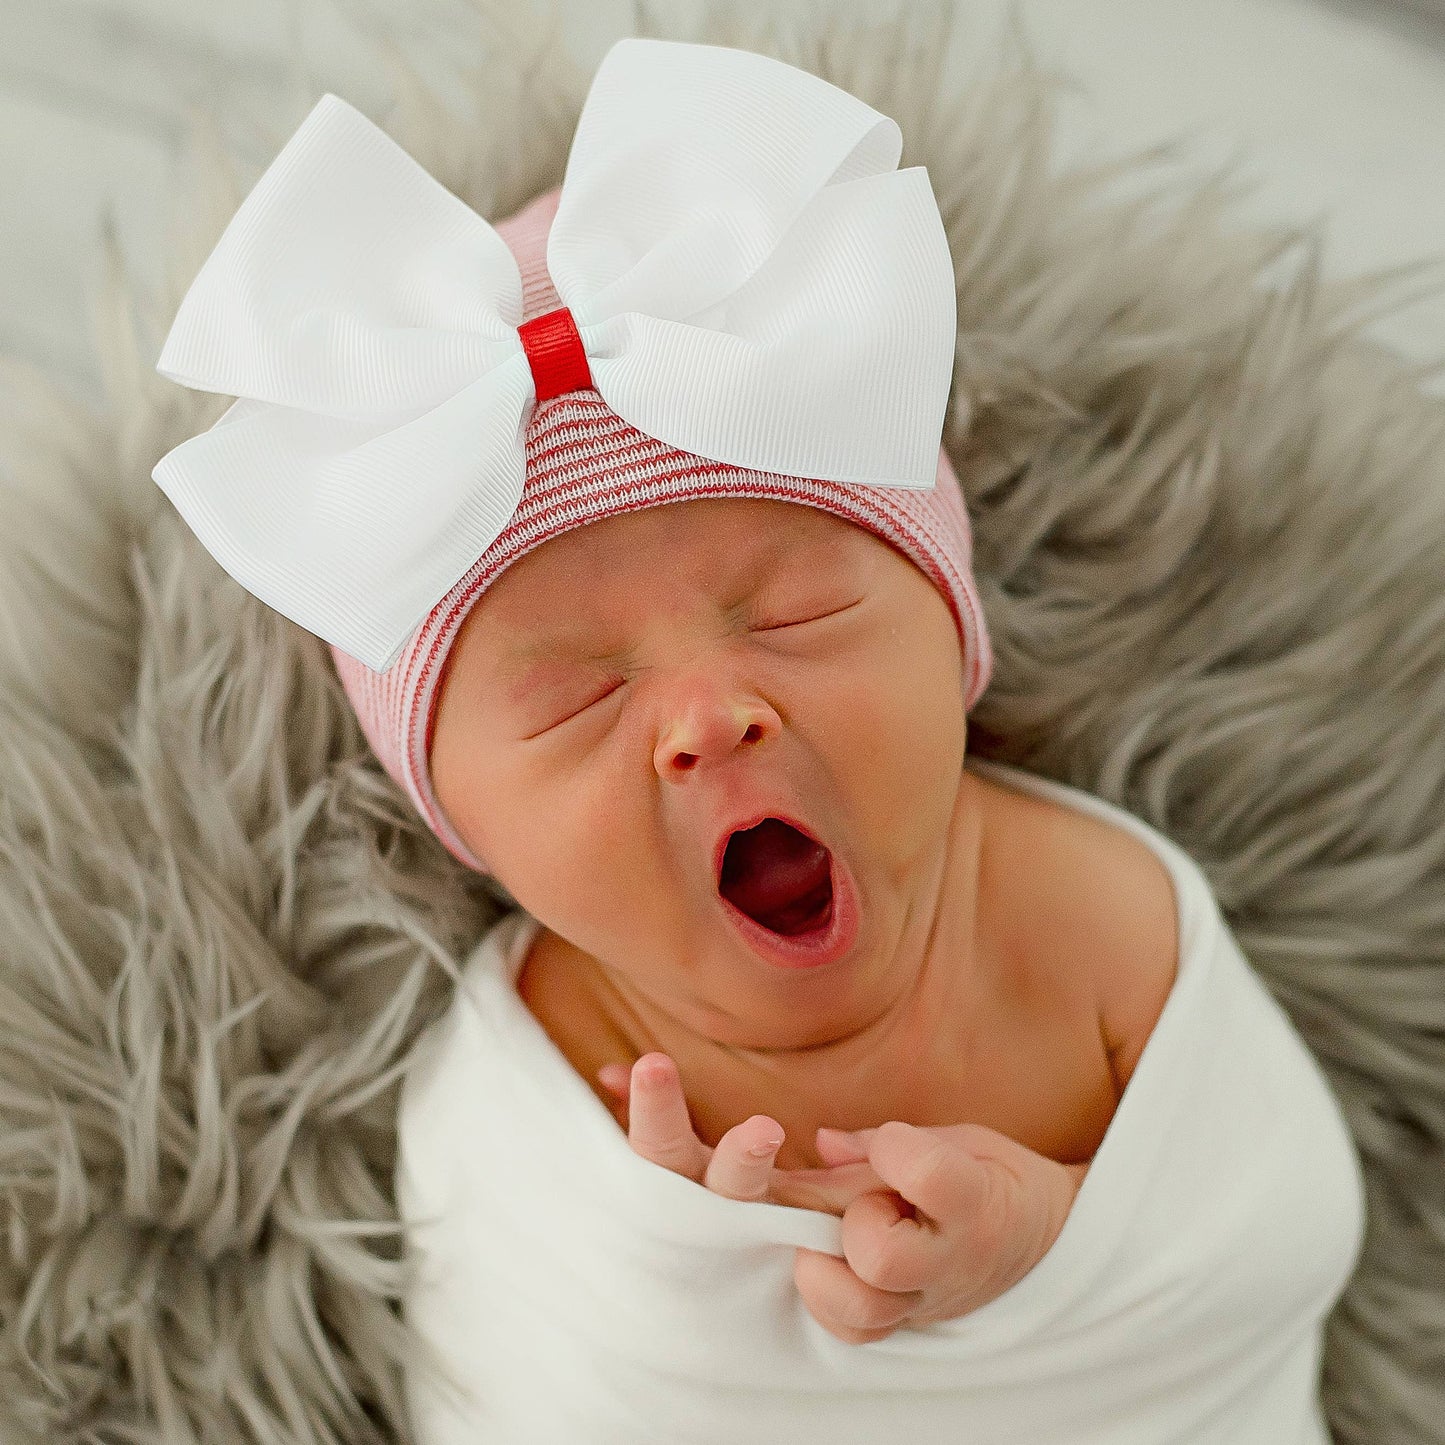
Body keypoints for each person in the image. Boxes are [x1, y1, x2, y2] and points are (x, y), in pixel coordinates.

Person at [149, 35, 1367, 1444]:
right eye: (575, 699)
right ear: (463, 827)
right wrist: (663, 1273)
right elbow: (509, 1387)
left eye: (792, 612)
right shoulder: (532, 1072)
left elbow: (1284, 1228)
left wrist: (1041, 1240)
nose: (706, 712)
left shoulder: (1096, 923)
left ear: (952, 628)